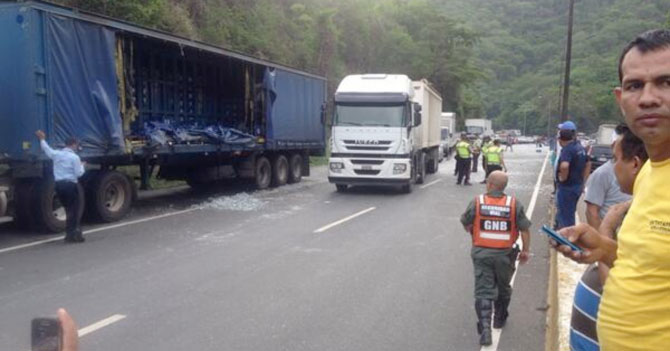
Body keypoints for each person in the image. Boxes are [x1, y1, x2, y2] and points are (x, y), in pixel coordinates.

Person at [556, 29, 670, 351]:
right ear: (622, 100)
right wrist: (605, 249)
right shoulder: (650, 171)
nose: (648, 97)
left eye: (666, 82)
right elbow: (649, 267)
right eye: (635, 85)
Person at [569, 124, 647, 351]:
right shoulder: (635, 205)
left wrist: (605, 230)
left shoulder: (647, 214)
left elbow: (614, 282)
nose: (612, 167)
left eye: (615, 159)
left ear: (634, 164)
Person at [460, 171, 531, 345]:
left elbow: (465, 221)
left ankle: (485, 331)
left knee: (483, 290)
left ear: (490, 184)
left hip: (482, 254)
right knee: (503, 287)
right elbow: (524, 229)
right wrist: (525, 251)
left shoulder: (478, 202)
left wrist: (471, 229)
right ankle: (499, 318)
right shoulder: (513, 204)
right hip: (505, 256)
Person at [35, 130, 86, 243]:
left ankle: (70, 234)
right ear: (74, 144)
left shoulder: (57, 154)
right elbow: (78, 174)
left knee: (68, 209)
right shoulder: (75, 158)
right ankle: (73, 235)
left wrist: (42, 139)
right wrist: (82, 166)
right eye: (76, 145)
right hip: (70, 185)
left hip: (58, 186)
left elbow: (46, 149)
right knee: (75, 210)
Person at [583, 126, 632, 230]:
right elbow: (591, 213)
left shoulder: (643, 172)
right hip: (611, 236)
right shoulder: (602, 174)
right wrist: (603, 241)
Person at [555, 121, 591, 229]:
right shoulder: (579, 147)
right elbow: (588, 163)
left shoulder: (568, 150)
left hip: (567, 188)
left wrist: (563, 178)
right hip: (577, 186)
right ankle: (560, 232)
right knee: (567, 212)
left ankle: (566, 241)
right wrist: (583, 182)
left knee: (566, 217)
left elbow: (564, 166)